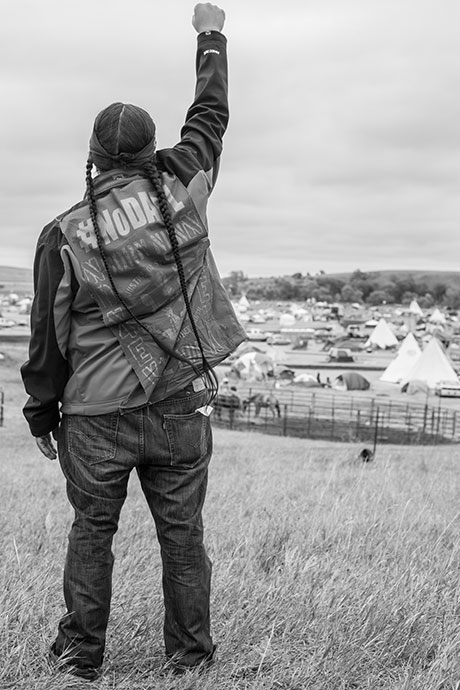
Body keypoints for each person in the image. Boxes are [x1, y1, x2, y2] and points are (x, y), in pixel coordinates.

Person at [21, 3, 246, 680]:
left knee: (92, 535)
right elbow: (210, 117)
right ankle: (191, 658)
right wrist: (211, 35)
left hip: (95, 416)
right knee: (183, 538)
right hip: (179, 404)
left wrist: (41, 411)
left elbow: (47, 336)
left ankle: (81, 657)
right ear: (153, 151)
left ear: (92, 155)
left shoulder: (64, 231)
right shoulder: (183, 182)